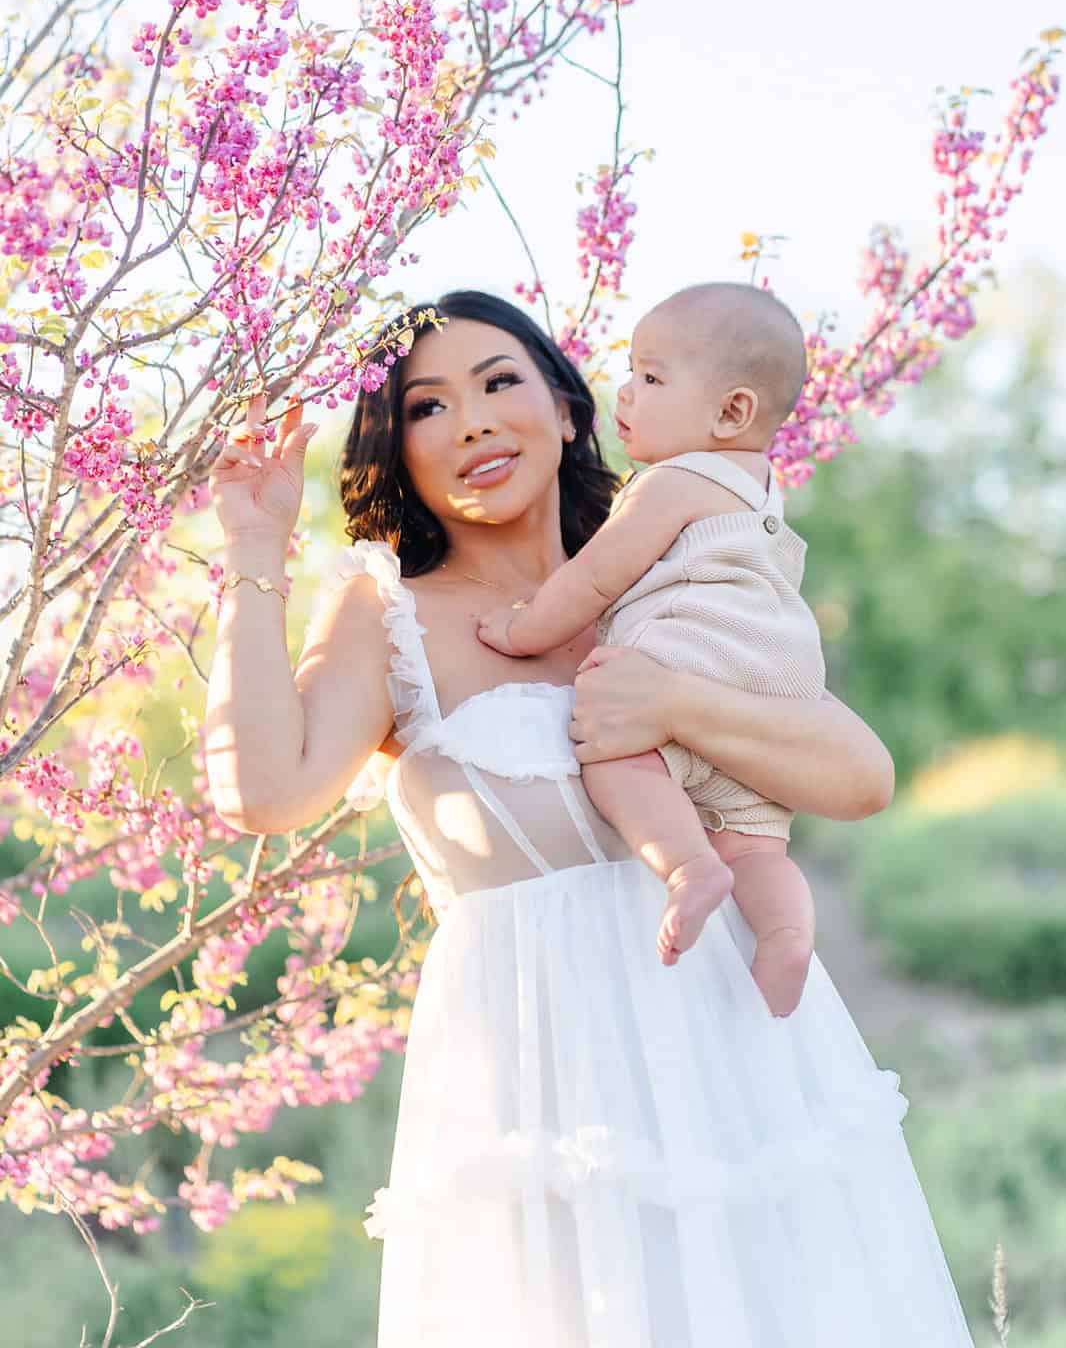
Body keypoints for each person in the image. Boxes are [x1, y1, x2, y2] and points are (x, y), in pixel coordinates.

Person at [206, 289, 975, 1347]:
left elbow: (859, 773)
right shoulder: (387, 613)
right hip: (549, 1098)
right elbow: (265, 790)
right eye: (427, 406)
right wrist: (254, 547)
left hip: (742, 1066)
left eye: (498, 382)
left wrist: (671, 703)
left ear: (569, 411)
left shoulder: (671, 577)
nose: (471, 420)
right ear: (401, 450)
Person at [476, 283, 824, 1019]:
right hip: (776, 686)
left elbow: (597, 576)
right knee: (758, 847)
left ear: (731, 412)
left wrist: (522, 629)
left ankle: (689, 869)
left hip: (695, 660)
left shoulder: (674, 480)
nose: (625, 392)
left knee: (615, 756)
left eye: (652, 379)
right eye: (632, 372)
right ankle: (788, 936)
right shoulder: (758, 489)